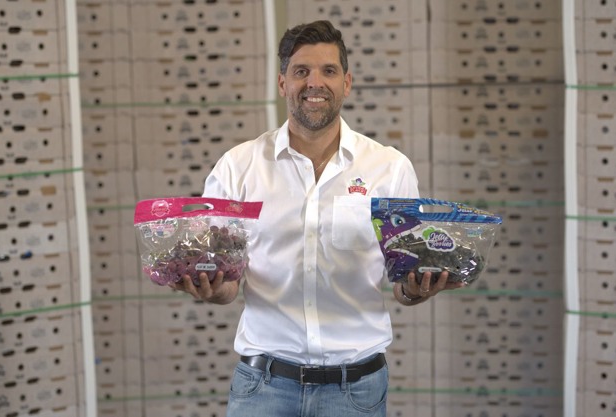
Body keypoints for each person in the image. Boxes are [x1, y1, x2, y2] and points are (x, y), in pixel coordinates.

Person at [171, 20, 464, 417]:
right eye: (301, 71)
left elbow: (401, 284)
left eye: (328, 70)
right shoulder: (238, 168)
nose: (314, 83)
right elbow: (228, 284)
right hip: (263, 388)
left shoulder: (389, 168)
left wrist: (416, 289)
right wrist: (211, 288)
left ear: (347, 82)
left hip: (355, 390)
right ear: (282, 83)